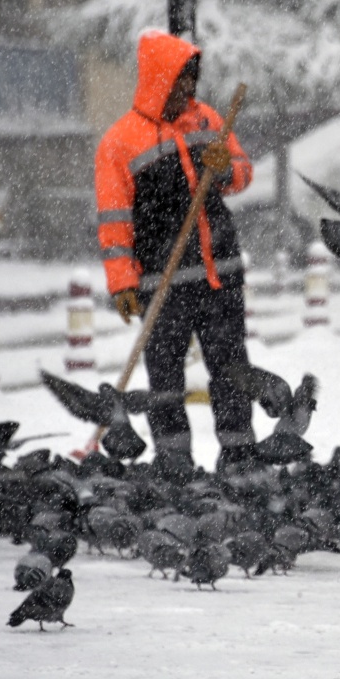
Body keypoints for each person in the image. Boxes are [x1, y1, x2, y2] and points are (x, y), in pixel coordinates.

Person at [94, 29, 256, 472]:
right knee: (164, 379)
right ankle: (173, 459)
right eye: (181, 79)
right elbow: (114, 222)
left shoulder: (207, 122)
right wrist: (123, 283)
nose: (189, 89)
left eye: (192, 79)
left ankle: (240, 453)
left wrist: (227, 171)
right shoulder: (120, 142)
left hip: (219, 272)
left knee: (231, 368)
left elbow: (243, 173)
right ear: (158, 79)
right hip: (160, 282)